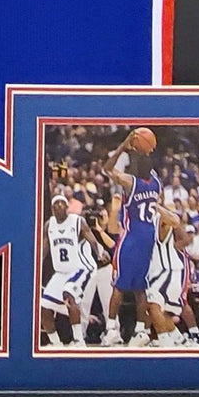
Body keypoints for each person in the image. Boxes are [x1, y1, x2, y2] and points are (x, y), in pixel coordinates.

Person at [99, 130, 162, 347]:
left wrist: (124, 145)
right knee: (140, 289)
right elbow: (147, 164)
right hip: (149, 239)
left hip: (132, 238)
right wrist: (145, 149)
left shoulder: (131, 183)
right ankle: (141, 331)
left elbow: (107, 169)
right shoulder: (156, 183)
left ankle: (111, 330)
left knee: (118, 285)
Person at [39, 194, 105, 349]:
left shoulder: (77, 221)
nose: (59, 206)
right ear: (52, 209)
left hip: (80, 268)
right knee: (43, 307)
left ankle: (78, 340)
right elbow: (44, 248)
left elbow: (91, 238)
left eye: (62, 204)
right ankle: (55, 343)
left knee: (69, 293)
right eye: (56, 204)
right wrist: (36, 263)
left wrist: (99, 253)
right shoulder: (49, 225)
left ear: (67, 207)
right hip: (61, 272)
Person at [145, 204, 199, 348]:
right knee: (164, 311)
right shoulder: (144, 223)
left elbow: (184, 236)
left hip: (173, 268)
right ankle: (179, 340)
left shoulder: (163, 219)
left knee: (177, 303)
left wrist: (172, 248)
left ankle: (195, 336)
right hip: (159, 270)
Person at [78, 199, 116, 342]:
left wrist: (100, 228)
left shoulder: (110, 229)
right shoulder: (83, 229)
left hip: (105, 268)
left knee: (108, 302)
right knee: (84, 303)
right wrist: (86, 222)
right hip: (88, 269)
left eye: (102, 215)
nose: (99, 218)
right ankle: (80, 334)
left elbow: (112, 246)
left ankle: (114, 333)